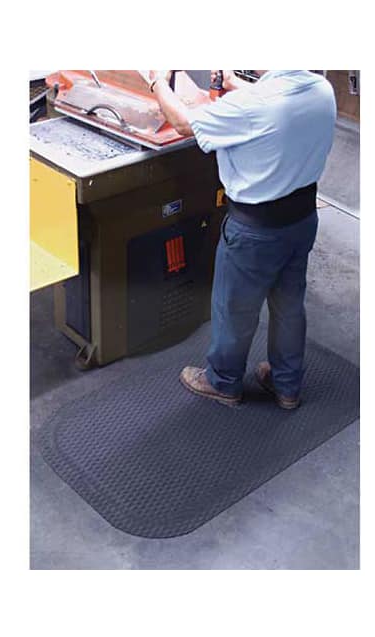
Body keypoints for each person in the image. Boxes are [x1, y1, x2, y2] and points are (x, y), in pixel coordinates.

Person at [147, 70, 336, 409]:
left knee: (234, 310)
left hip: (255, 231)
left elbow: (183, 123)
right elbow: (277, 99)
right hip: (302, 219)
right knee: (289, 305)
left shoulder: (250, 106)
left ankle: (222, 381)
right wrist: (233, 81)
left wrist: (157, 81)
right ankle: (287, 384)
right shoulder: (321, 90)